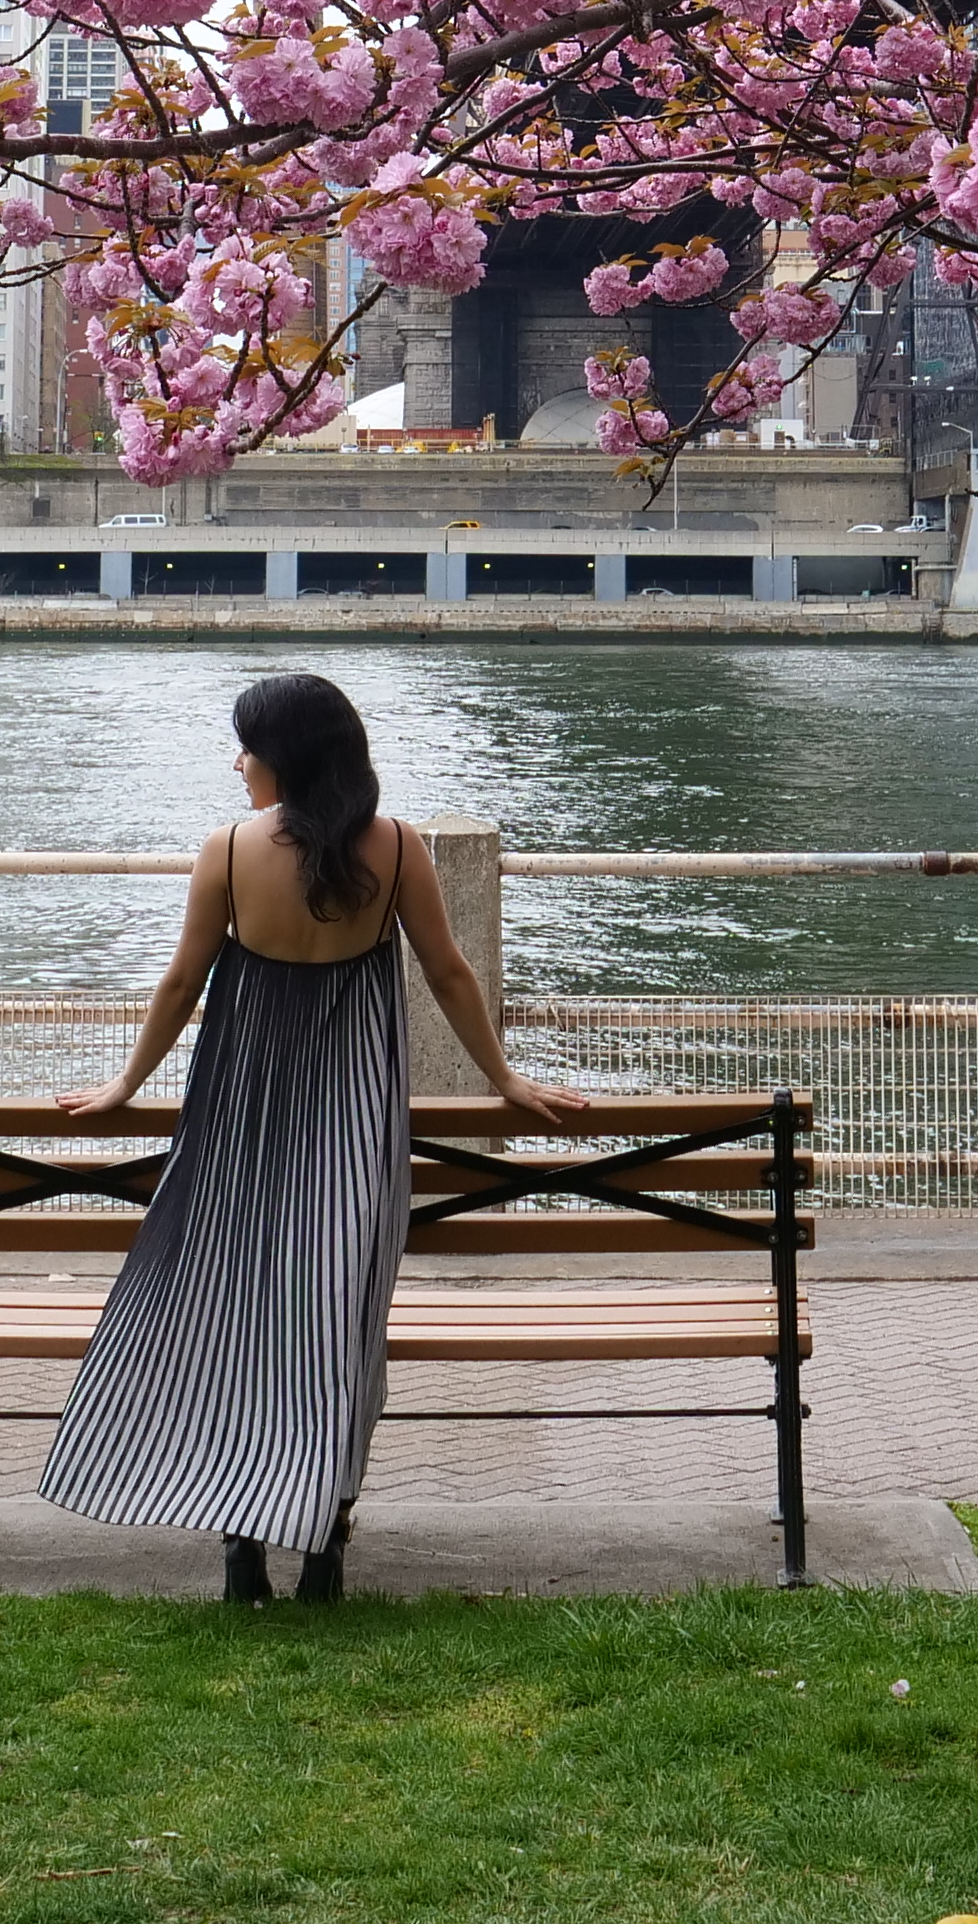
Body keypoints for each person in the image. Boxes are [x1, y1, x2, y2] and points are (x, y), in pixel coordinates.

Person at [29, 671, 585, 1603]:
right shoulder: (398, 849)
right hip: (355, 1126)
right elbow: (448, 974)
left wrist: (128, 1084)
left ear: (287, 756)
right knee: (339, 1328)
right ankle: (324, 1526)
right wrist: (505, 1079)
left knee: (244, 1323)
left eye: (248, 744)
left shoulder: (229, 852)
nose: (239, 760)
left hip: (243, 1122)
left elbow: (180, 987)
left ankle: (243, 1525)